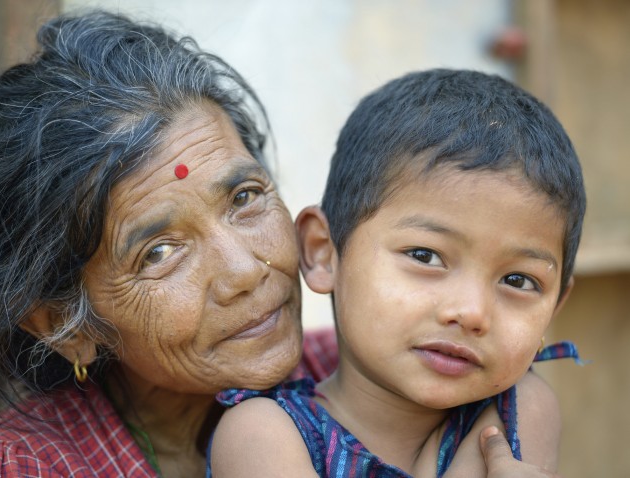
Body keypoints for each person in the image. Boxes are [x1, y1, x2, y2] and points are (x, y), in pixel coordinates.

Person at [0, 11, 565, 476]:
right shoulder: (11, 470)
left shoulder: (386, 376)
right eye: (159, 251)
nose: (244, 270)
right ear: (64, 324)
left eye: (244, 199)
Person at [210, 69, 585, 477]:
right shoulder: (262, 435)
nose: (471, 312)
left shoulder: (522, 407)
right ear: (324, 252)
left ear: (555, 306)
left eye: (518, 281)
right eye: (424, 256)